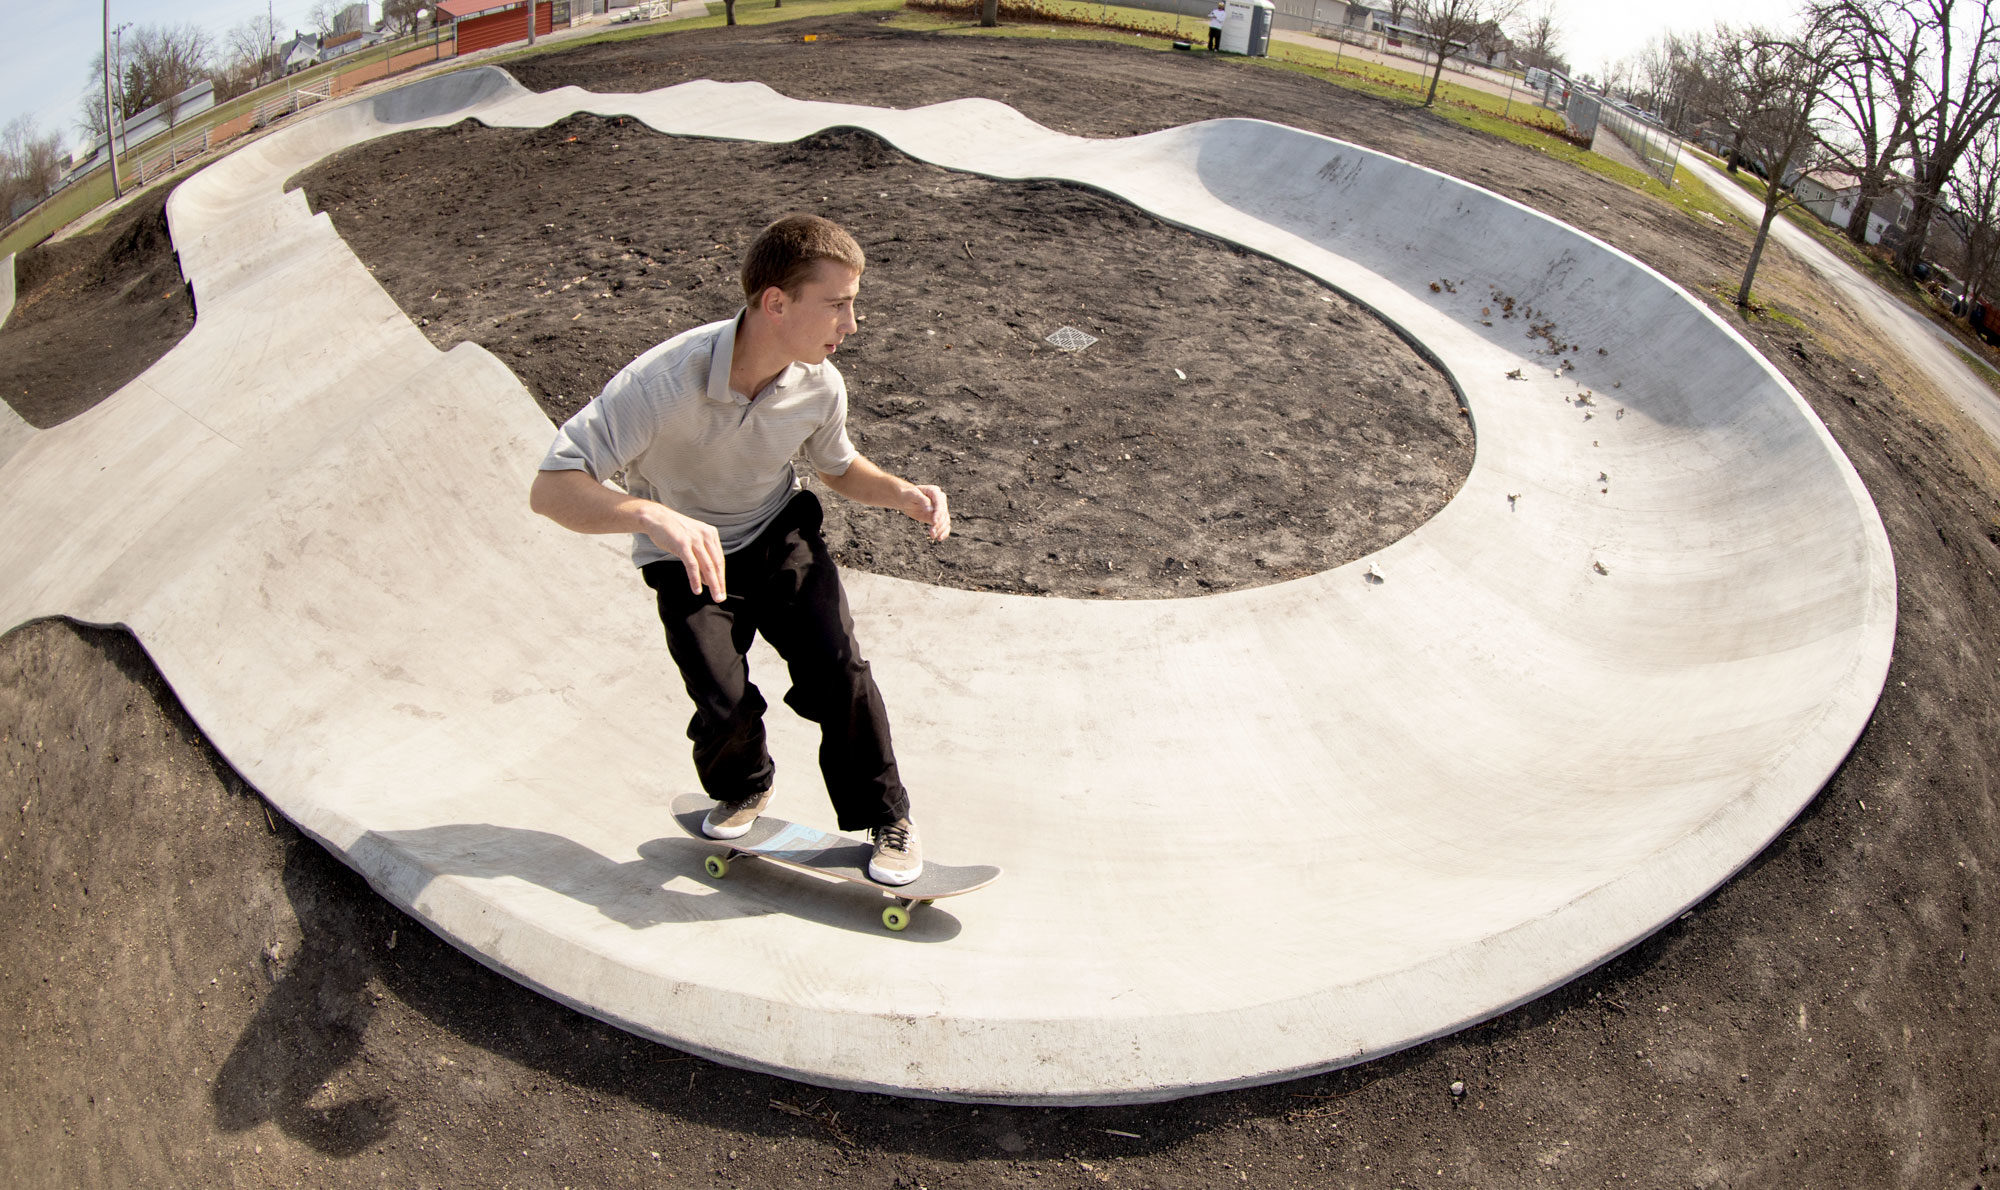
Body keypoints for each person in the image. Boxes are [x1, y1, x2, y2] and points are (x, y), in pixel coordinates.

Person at [529, 214, 949, 886]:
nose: (852, 324)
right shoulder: (660, 384)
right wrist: (649, 516)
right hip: (684, 556)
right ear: (776, 303)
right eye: (838, 305)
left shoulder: (818, 383)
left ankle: (885, 813)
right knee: (721, 701)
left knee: (837, 670)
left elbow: (837, 467)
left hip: (777, 534)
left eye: (854, 304)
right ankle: (746, 784)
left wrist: (901, 493)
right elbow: (551, 490)